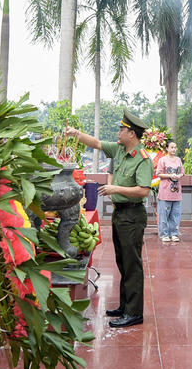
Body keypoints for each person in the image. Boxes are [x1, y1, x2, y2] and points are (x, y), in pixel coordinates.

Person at [65, 111, 153, 328]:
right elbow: (95, 143)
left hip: (133, 214)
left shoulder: (143, 159)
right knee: (123, 262)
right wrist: (76, 134)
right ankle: (125, 305)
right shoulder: (120, 150)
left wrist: (115, 188)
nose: (119, 132)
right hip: (121, 213)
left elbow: (143, 191)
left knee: (132, 264)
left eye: (122, 129)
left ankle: (134, 312)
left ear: (132, 133)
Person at [154, 139, 184, 243]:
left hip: (176, 193)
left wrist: (178, 176)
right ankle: (164, 234)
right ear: (167, 148)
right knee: (164, 215)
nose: (174, 149)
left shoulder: (178, 160)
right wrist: (170, 175)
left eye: (175, 147)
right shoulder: (162, 160)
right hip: (165, 192)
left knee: (175, 215)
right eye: (171, 147)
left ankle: (174, 233)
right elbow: (158, 173)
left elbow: (182, 173)